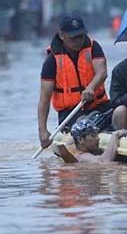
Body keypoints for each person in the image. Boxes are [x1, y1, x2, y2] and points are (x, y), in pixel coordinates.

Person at [38, 15, 111, 150]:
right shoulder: (52, 60)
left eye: (80, 36)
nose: (78, 41)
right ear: (61, 35)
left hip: (99, 105)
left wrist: (90, 88)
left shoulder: (93, 47)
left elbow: (102, 72)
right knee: (83, 123)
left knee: (120, 110)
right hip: (71, 112)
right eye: (73, 37)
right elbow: (44, 99)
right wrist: (42, 130)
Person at [62, 115, 127, 163]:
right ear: (81, 140)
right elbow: (105, 161)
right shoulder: (84, 157)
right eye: (93, 136)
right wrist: (115, 135)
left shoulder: (70, 147)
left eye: (97, 134)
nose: (98, 138)